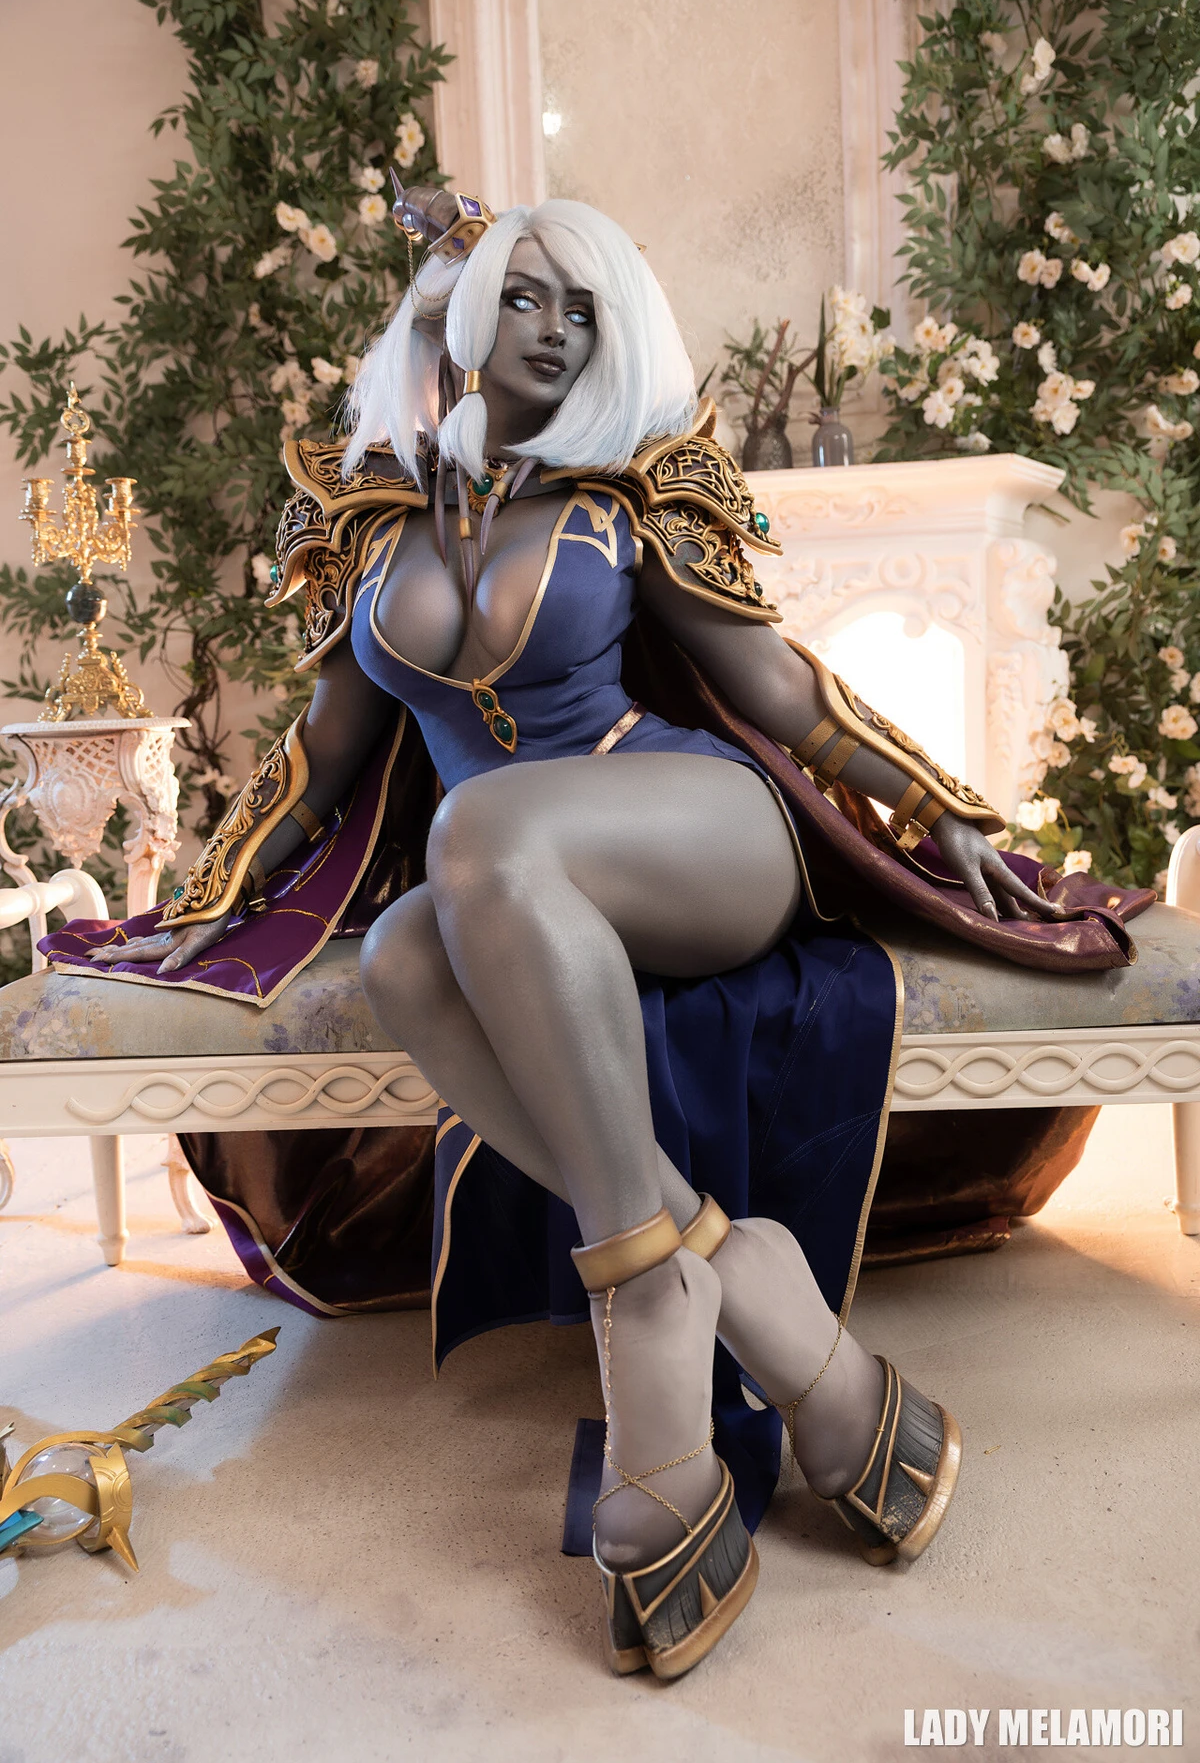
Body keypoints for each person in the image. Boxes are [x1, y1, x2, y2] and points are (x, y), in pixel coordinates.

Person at [63, 188, 1137, 1679]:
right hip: (511, 883)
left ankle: (642, 1304)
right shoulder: (371, 526)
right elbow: (318, 756)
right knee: (408, 952)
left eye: (584, 307)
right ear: (462, 314)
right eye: (525, 296)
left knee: (477, 831)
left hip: (696, 837)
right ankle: (733, 1276)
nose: (556, 329)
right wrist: (214, 900)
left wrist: (936, 806)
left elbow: (780, 688)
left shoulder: (632, 495)